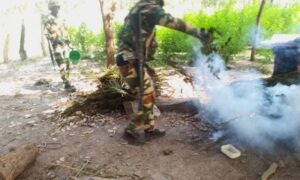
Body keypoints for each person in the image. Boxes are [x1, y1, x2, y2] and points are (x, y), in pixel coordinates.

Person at [116, 0, 210, 142]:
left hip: (132, 59)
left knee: (149, 94)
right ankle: (131, 131)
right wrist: (199, 33)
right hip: (130, 60)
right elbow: (174, 23)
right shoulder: (149, 8)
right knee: (146, 96)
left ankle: (149, 130)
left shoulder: (138, 8)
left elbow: (133, 38)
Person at [43, 0, 76, 92]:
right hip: (56, 45)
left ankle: (67, 80)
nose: (56, 9)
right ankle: (67, 84)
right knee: (62, 64)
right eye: (54, 8)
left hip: (64, 44)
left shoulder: (62, 19)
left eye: (57, 7)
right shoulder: (48, 19)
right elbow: (45, 33)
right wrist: (53, 38)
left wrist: (70, 44)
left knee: (69, 64)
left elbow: (66, 32)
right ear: (51, 9)